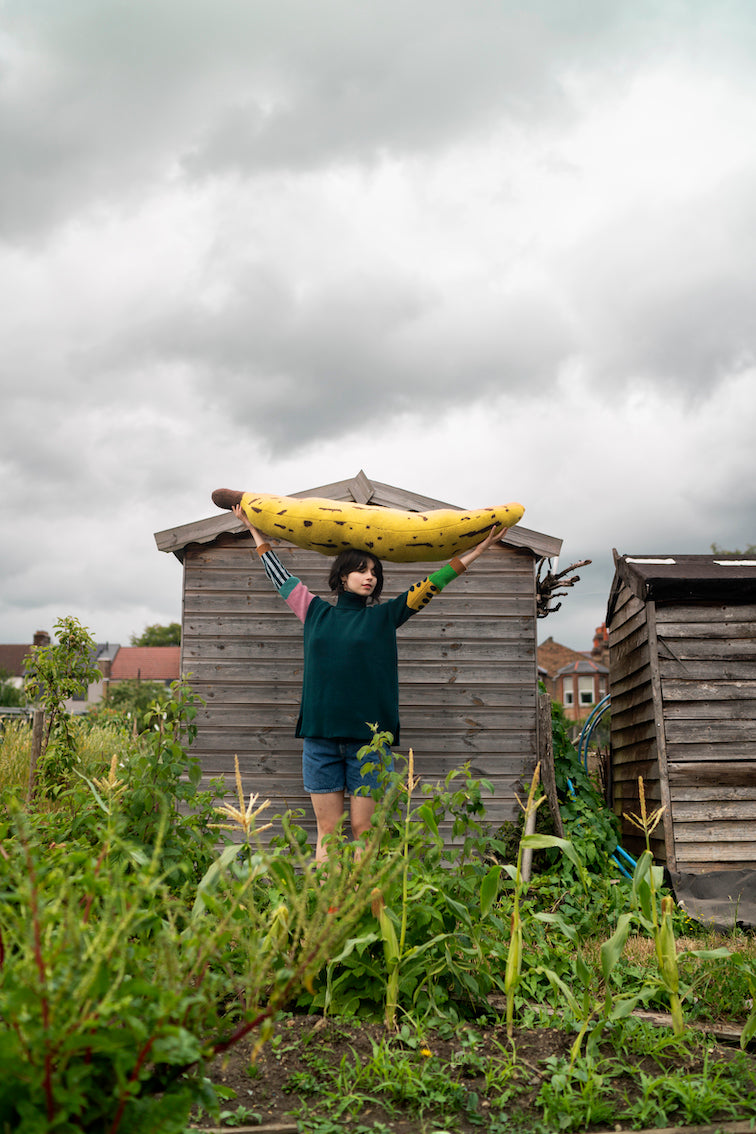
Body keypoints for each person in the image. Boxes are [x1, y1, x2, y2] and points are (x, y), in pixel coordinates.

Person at [232, 503, 507, 860]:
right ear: (341, 576)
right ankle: (329, 912)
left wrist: (480, 549)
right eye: (361, 570)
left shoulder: (386, 616)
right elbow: (279, 575)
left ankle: (366, 910)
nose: (370, 576)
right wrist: (254, 529)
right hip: (321, 740)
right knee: (328, 834)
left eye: (374, 571)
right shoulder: (314, 611)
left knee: (365, 832)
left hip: (370, 744)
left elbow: (435, 582)